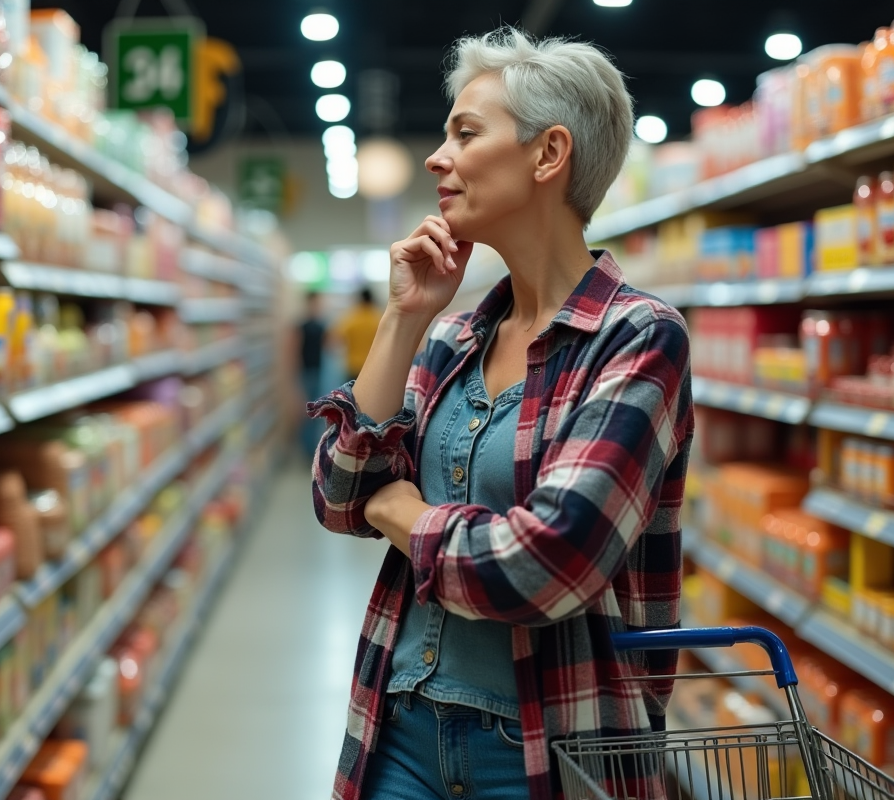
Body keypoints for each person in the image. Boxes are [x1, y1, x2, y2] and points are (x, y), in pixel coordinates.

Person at [308, 27, 694, 800]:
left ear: (549, 155)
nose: (435, 158)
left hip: (549, 749)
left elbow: (548, 565)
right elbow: (340, 496)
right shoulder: (453, 337)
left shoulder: (638, 338)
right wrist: (404, 320)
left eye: (465, 132)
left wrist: (406, 514)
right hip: (400, 730)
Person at [298, 291, 328, 457]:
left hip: (320, 372)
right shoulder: (302, 326)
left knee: (318, 413)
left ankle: (315, 449)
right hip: (307, 373)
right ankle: (308, 451)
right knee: (307, 413)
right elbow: (295, 352)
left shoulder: (322, 326)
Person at [331, 287, 382, 382]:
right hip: (373, 366)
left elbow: (336, 338)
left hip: (353, 366)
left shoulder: (352, 317)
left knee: (351, 395)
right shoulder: (378, 318)